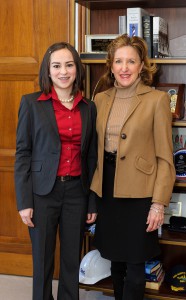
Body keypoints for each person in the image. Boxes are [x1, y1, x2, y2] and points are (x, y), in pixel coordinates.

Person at [90, 34, 176, 300]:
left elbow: (165, 157)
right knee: (116, 263)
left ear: (142, 66)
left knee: (136, 270)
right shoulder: (100, 99)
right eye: (119, 61)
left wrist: (158, 204)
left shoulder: (156, 100)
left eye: (131, 61)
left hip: (141, 193)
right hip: (107, 189)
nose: (124, 67)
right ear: (111, 65)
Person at [14, 42, 97, 300]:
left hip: (76, 192)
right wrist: (24, 201)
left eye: (69, 65)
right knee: (42, 261)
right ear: (47, 71)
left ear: (77, 69)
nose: (63, 71)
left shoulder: (89, 107)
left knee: (72, 259)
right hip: (42, 193)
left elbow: (92, 158)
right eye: (57, 66)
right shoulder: (31, 104)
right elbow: (23, 154)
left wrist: (92, 201)